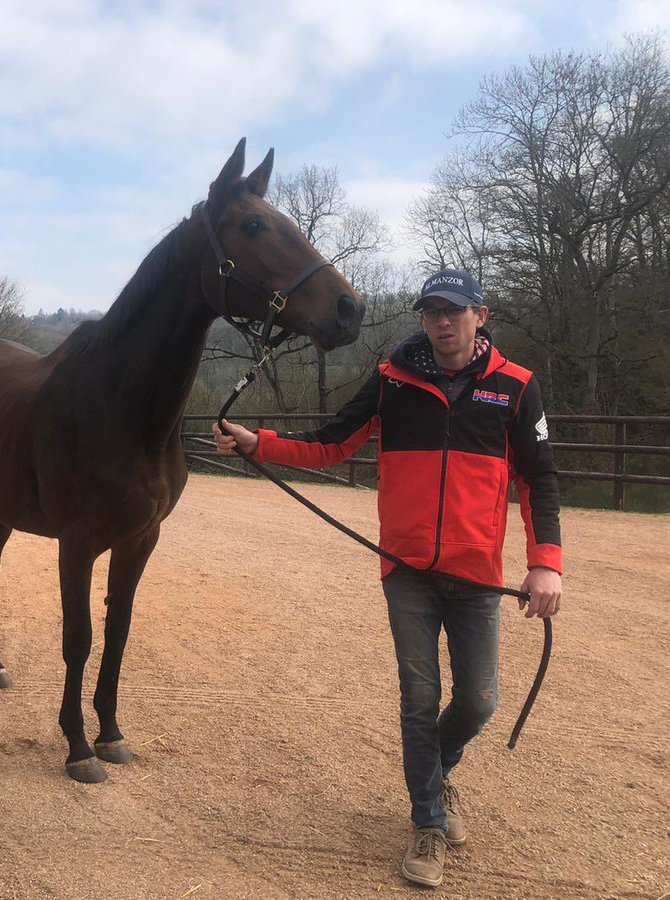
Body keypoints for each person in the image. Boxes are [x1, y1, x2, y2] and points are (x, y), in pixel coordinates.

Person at [213, 268, 563, 888]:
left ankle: (435, 774)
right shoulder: (391, 382)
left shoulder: (516, 387)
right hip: (407, 573)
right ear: (422, 319)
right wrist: (256, 441)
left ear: (480, 315)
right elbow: (329, 445)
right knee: (420, 699)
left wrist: (545, 563)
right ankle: (427, 822)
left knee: (479, 701)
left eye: (454, 311)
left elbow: (540, 480)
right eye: (431, 311)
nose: (442, 322)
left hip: (478, 576)